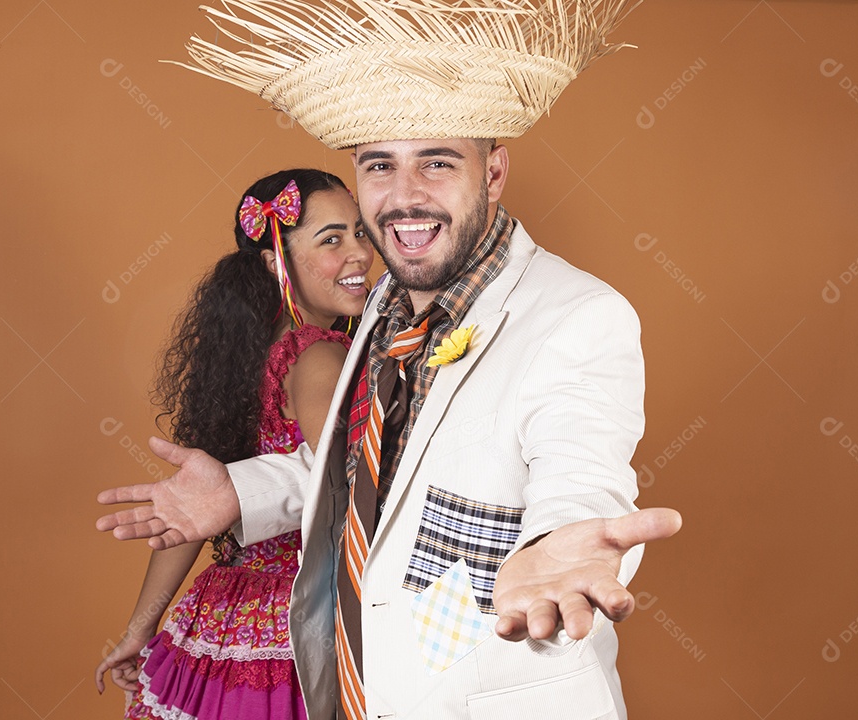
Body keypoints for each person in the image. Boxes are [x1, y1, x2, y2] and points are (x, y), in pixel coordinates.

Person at [99, 1, 682, 718]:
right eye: (380, 166)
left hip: (479, 694)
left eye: (437, 163)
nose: (404, 198)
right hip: (361, 687)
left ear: (493, 173)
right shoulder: (384, 304)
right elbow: (376, 466)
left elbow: (583, 477)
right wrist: (240, 495)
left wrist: (563, 545)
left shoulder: (577, 316)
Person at [94, 168, 374, 720]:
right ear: (276, 261)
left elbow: (192, 515)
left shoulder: (245, 358)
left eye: (361, 232)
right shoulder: (319, 355)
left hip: (223, 613)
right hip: (296, 620)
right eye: (331, 239)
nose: (360, 254)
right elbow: (347, 489)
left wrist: (139, 627)